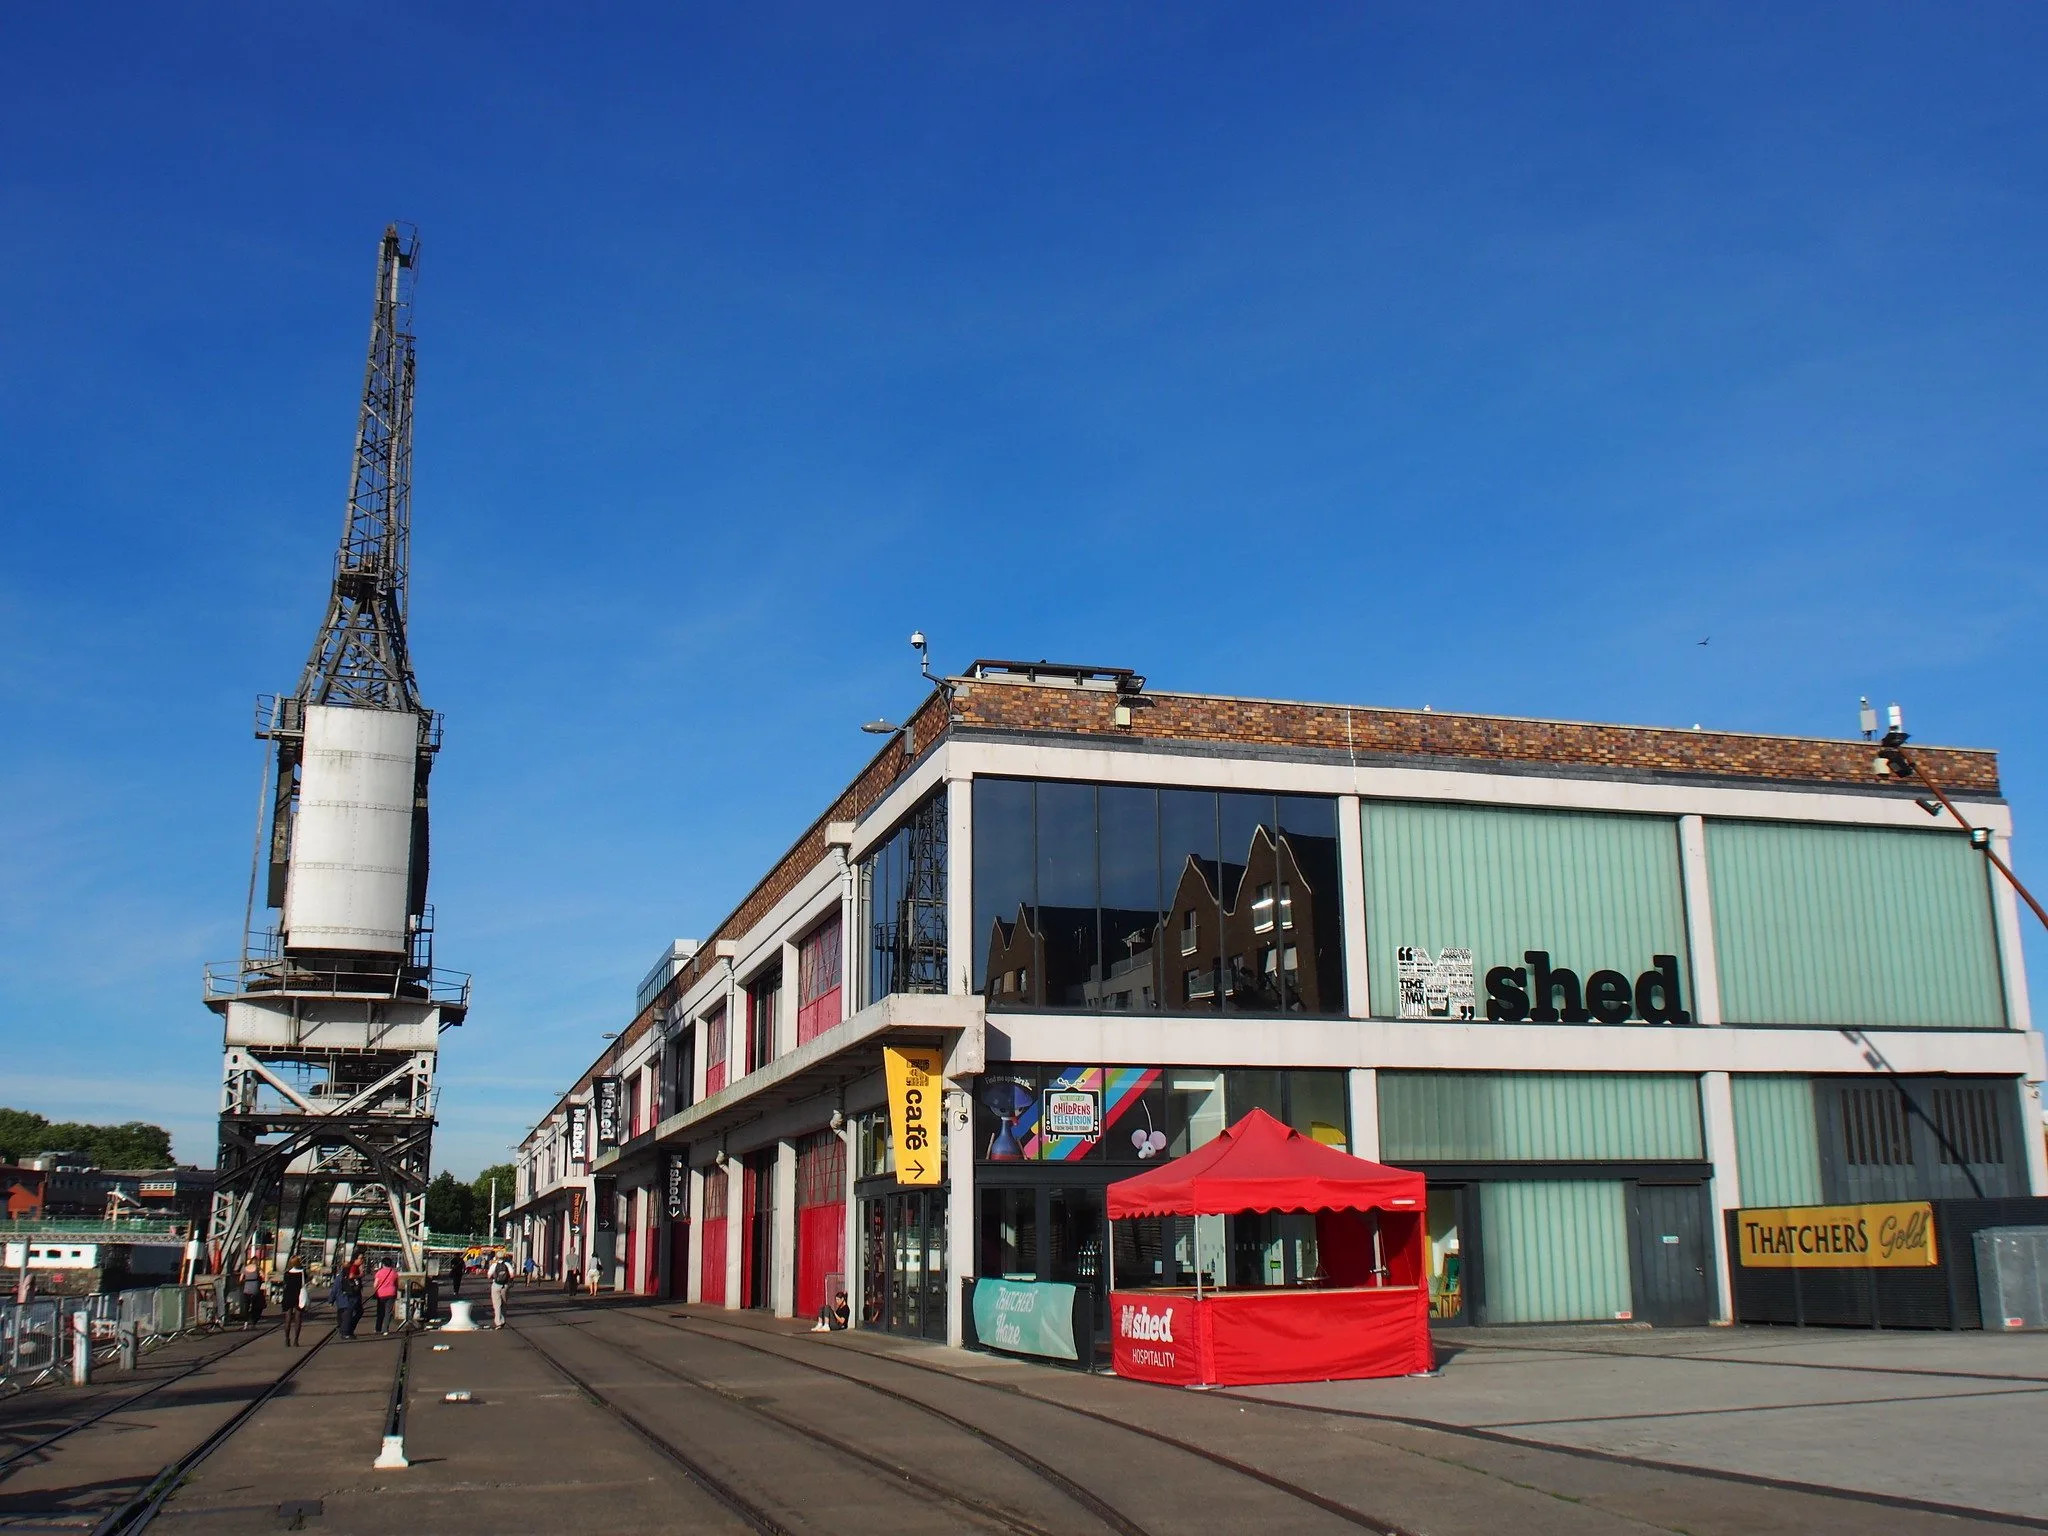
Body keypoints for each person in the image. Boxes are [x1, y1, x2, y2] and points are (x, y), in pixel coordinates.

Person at [280, 1256, 307, 1347]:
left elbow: (285, 1284)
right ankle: (296, 1340)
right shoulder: (302, 1272)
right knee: (298, 1318)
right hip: (298, 1295)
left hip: (288, 1295)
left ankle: (287, 1339)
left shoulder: (287, 1273)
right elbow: (305, 1283)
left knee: (288, 1318)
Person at [332, 1262, 362, 1340]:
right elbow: (358, 1286)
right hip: (350, 1299)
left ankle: (344, 1331)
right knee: (348, 1316)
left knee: (342, 1316)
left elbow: (334, 1289)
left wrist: (331, 1300)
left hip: (341, 1300)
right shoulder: (352, 1276)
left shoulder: (339, 1276)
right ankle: (345, 1332)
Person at [372, 1258, 399, 1335]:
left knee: (380, 1311)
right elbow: (396, 1284)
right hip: (391, 1293)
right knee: (388, 1312)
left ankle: (378, 1329)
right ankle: (385, 1330)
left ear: (383, 1264)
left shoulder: (379, 1273)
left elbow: (375, 1285)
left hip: (381, 1294)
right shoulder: (394, 1273)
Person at [489, 1252, 514, 1329]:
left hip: (496, 1285)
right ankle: (503, 1320)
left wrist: (494, 1278)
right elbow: (512, 1275)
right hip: (505, 1285)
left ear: (496, 1257)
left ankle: (498, 1322)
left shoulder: (494, 1265)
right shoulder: (508, 1264)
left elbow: (488, 1275)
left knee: (497, 1304)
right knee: (504, 1303)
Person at [239, 1258, 265, 1329]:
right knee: (255, 1306)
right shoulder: (258, 1268)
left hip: (246, 1289)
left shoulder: (245, 1268)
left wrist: (245, 1281)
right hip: (255, 1289)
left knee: (246, 1306)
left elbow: (240, 1279)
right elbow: (263, 1276)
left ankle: (245, 1323)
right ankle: (253, 1322)